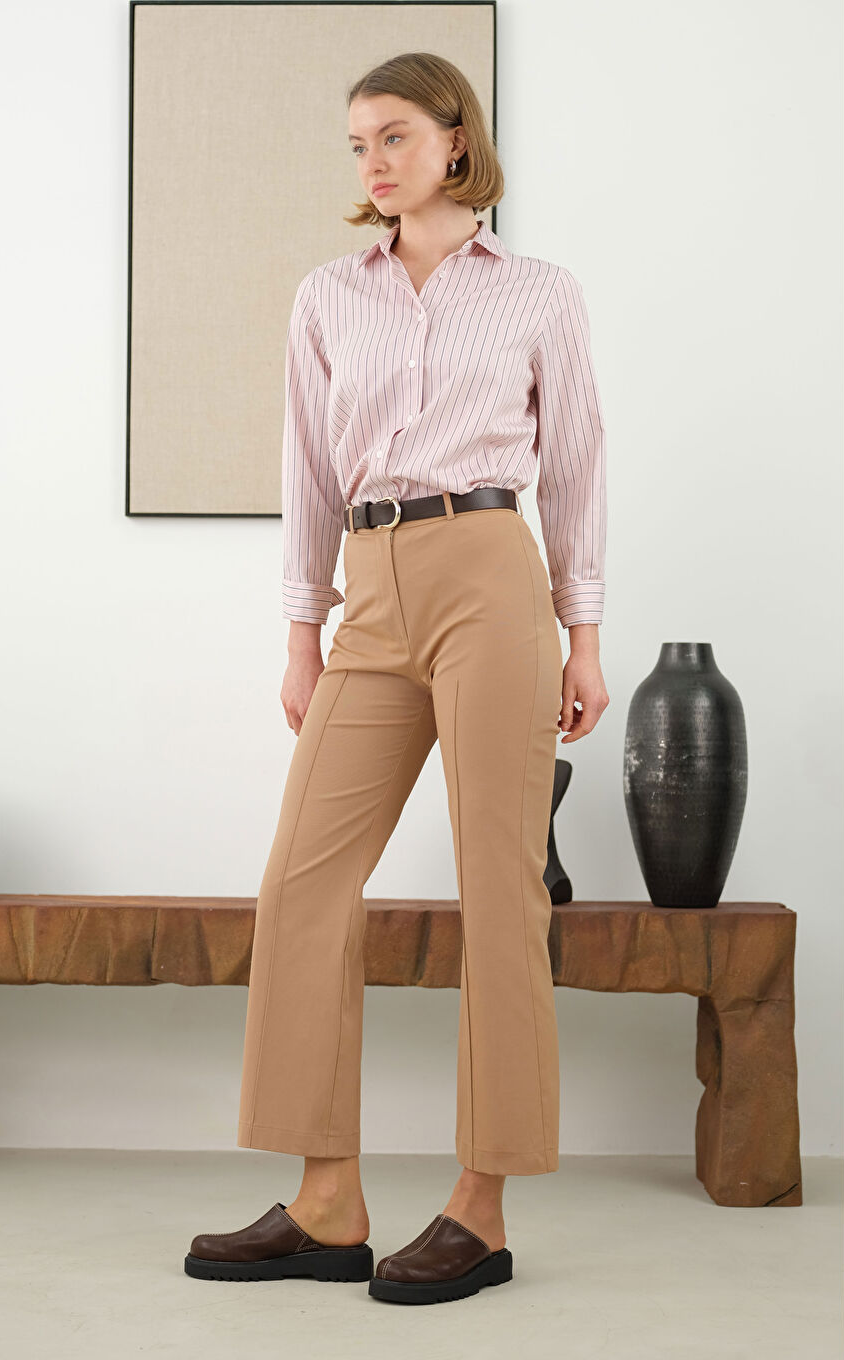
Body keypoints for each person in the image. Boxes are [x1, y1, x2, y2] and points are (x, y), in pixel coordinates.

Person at [184, 51, 609, 1305]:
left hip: (490, 574)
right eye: (358, 144)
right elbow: (308, 469)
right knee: (302, 882)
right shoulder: (329, 295)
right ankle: (328, 1202)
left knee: (500, 887)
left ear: (456, 141)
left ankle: (480, 1206)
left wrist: (582, 633)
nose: (373, 162)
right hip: (370, 590)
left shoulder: (538, 291)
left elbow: (577, 463)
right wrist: (300, 632)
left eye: (395, 137)